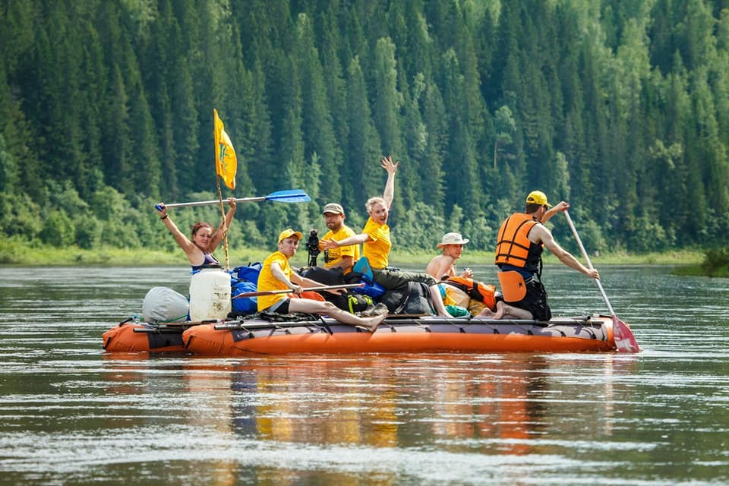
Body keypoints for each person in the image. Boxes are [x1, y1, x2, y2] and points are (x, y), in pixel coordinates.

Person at [321, 156, 453, 317]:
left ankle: (392, 308)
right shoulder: (374, 229)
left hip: (379, 270)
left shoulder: (379, 221)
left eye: (384, 210)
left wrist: (391, 174)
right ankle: (443, 313)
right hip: (379, 273)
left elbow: (388, 198)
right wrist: (339, 244)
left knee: (404, 282)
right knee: (428, 279)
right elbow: (360, 238)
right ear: (371, 214)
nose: (383, 213)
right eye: (378, 212)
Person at [482, 190, 599, 321]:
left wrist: (555, 210)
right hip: (523, 285)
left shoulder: (510, 222)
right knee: (543, 316)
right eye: (546, 208)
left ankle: (492, 313)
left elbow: (536, 223)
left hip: (508, 284)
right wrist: (587, 271)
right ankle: (506, 308)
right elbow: (563, 255)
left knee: (524, 313)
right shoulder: (539, 230)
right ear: (542, 208)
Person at [257, 229, 387, 332]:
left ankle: (360, 322)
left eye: (295, 243)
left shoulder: (284, 262)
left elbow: (303, 281)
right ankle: (368, 324)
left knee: (325, 306)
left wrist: (329, 288)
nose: (293, 246)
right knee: (327, 306)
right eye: (289, 242)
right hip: (274, 303)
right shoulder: (277, 258)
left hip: (278, 301)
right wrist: (290, 285)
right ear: (280, 245)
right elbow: (275, 270)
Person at [156, 198, 237, 272]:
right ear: (194, 237)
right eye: (202, 235)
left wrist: (232, 209)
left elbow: (221, 229)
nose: (206, 238)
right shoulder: (192, 250)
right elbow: (177, 233)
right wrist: (164, 216)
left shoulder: (209, 250)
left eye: (208, 236)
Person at [319, 203, 360, 273]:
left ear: (343, 216)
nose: (329, 219)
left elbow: (349, 262)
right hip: (331, 274)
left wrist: (326, 271)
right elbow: (317, 248)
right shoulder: (330, 234)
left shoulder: (346, 234)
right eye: (327, 216)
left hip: (342, 276)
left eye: (333, 216)